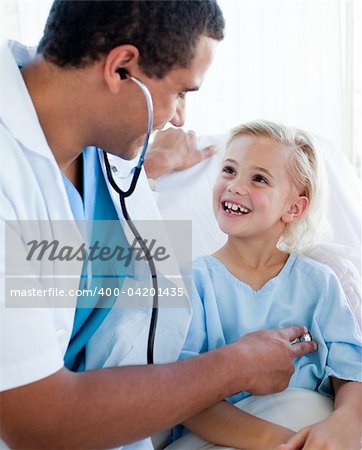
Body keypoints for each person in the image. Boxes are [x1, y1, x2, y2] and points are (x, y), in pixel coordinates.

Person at [0, 2, 316, 449]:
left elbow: (69, 238)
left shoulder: (95, 143)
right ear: (121, 68)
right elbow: (35, 420)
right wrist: (235, 368)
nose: (181, 117)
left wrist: (149, 166)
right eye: (182, 92)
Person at [174, 120, 362, 449]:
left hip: (310, 427)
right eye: (229, 170)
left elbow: (351, 370)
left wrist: (344, 422)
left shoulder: (318, 283)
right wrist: (284, 443)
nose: (235, 186)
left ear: (294, 207)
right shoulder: (192, 283)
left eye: (258, 178)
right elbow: (183, 398)